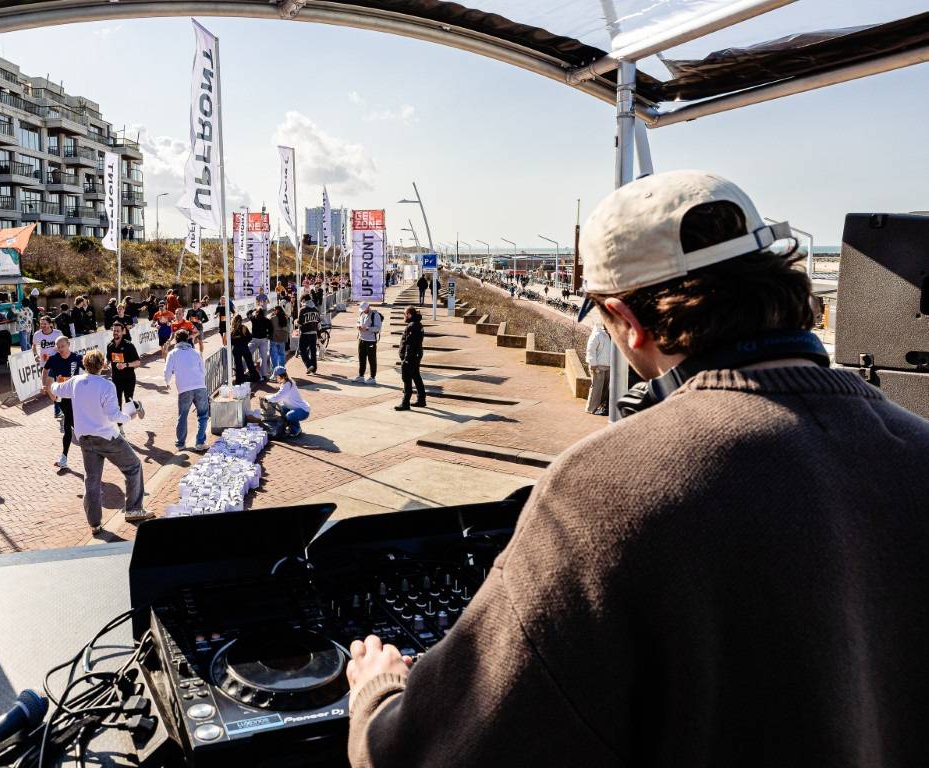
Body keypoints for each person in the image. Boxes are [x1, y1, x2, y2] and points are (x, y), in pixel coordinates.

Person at [345, 170, 929, 767]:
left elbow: (427, 755)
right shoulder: (918, 446)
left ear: (628, 319)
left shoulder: (605, 486)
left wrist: (377, 691)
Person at [53, 350, 152, 535]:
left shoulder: (75, 382)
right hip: (107, 437)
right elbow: (114, 415)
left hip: (85, 438)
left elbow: (56, 389)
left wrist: (51, 384)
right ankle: (133, 509)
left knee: (92, 480)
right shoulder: (107, 386)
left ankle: (95, 524)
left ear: (85, 364)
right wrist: (130, 416)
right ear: (102, 365)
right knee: (133, 466)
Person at [163, 329, 210, 452]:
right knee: (203, 415)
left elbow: (167, 371)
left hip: (184, 388)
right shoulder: (195, 352)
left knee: (183, 416)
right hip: (199, 386)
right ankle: (200, 442)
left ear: (176, 340)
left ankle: (181, 443)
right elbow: (204, 371)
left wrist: (167, 382)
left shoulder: (172, 353)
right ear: (188, 339)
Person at [42, 336, 83, 469]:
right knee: (70, 425)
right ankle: (66, 457)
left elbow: (90, 369)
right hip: (62, 398)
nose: (60, 349)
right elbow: (45, 370)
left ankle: (65, 457)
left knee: (70, 426)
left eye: (62, 346)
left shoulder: (77, 358)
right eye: (58, 347)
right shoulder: (54, 359)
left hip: (76, 397)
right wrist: (44, 385)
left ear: (68, 344)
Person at [106, 321, 145, 427]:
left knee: (128, 403)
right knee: (117, 404)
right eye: (114, 330)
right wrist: (106, 364)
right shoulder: (110, 345)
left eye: (118, 331)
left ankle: (137, 406)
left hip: (128, 378)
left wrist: (125, 365)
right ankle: (120, 429)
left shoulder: (129, 345)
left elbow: (138, 362)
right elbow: (108, 359)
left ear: (123, 331)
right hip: (116, 379)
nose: (115, 333)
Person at [393, 306, 426, 410]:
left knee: (407, 379)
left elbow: (410, 345)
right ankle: (421, 400)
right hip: (416, 355)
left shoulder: (412, 326)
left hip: (410, 357)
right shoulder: (418, 324)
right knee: (416, 376)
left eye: (404, 314)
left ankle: (405, 403)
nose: (404, 316)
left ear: (409, 314)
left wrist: (406, 359)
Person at [264, 366, 310, 437]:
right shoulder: (287, 382)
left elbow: (278, 397)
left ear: (279, 376)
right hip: (297, 407)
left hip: (303, 411)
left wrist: (267, 397)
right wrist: (269, 397)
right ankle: (289, 424)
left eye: (276, 377)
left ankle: (296, 429)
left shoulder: (287, 385)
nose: (275, 379)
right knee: (283, 407)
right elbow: (279, 395)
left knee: (290, 415)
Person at [584, 321, 612, 416]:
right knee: (597, 388)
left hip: (608, 366)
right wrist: (593, 365)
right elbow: (590, 350)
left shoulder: (608, 335)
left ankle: (599, 407)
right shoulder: (596, 335)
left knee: (604, 389)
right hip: (598, 366)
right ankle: (591, 408)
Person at [355, 300, 383, 384]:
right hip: (361, 339)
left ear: (368, 307)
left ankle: (372, 377)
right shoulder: (362, 314)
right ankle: (361, 376)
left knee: (372, 359)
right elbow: (358, 322)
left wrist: (367, 328)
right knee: (361, 358)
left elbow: (378, 328)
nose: (363, 311)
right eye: (362, 309)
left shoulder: (375, 315)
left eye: (364, 309)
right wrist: (358, 326)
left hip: (371, 341)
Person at [230, 314, 259, 384]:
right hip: (244, 347)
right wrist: (244, 341)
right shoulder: (244, 327)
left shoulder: (232, 330)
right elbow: (249, 338)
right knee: (249, 363)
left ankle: (239, 379)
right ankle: (254, 377)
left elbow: (230, 341)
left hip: (236, 349)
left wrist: (236, 341)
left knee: (238, 365)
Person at [248, 298, 272, 378]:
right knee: (263, 358)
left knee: (247, 354)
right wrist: (268, 335)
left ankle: (243, 369)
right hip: (263, 340)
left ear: (257, 312)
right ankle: (264, 374)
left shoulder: (254, 319)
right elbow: (271, 329)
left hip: (254, 339)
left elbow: (248, 313)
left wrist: (254, 309)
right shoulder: (266, 320)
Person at [297, 298, 321, 375]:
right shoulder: (316, 309)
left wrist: (296, 322)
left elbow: (299, 323)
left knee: (302, 350)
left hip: (305, 333)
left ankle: (309, 365)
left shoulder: (302, 310)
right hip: (314, 333)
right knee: (313, 351)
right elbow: (319, 323)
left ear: (304, 300)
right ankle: (314, 369)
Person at [269, 305, 291, 376]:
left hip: (274, 338)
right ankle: (282, 371)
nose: (273, 311)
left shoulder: (272, 318)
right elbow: (288, 329)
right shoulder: (285, 318)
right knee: (281, 355)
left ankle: (275, 371)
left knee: (273, 355)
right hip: (283, 338)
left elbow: (269, 328)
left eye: (274, 310)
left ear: (276, 311)